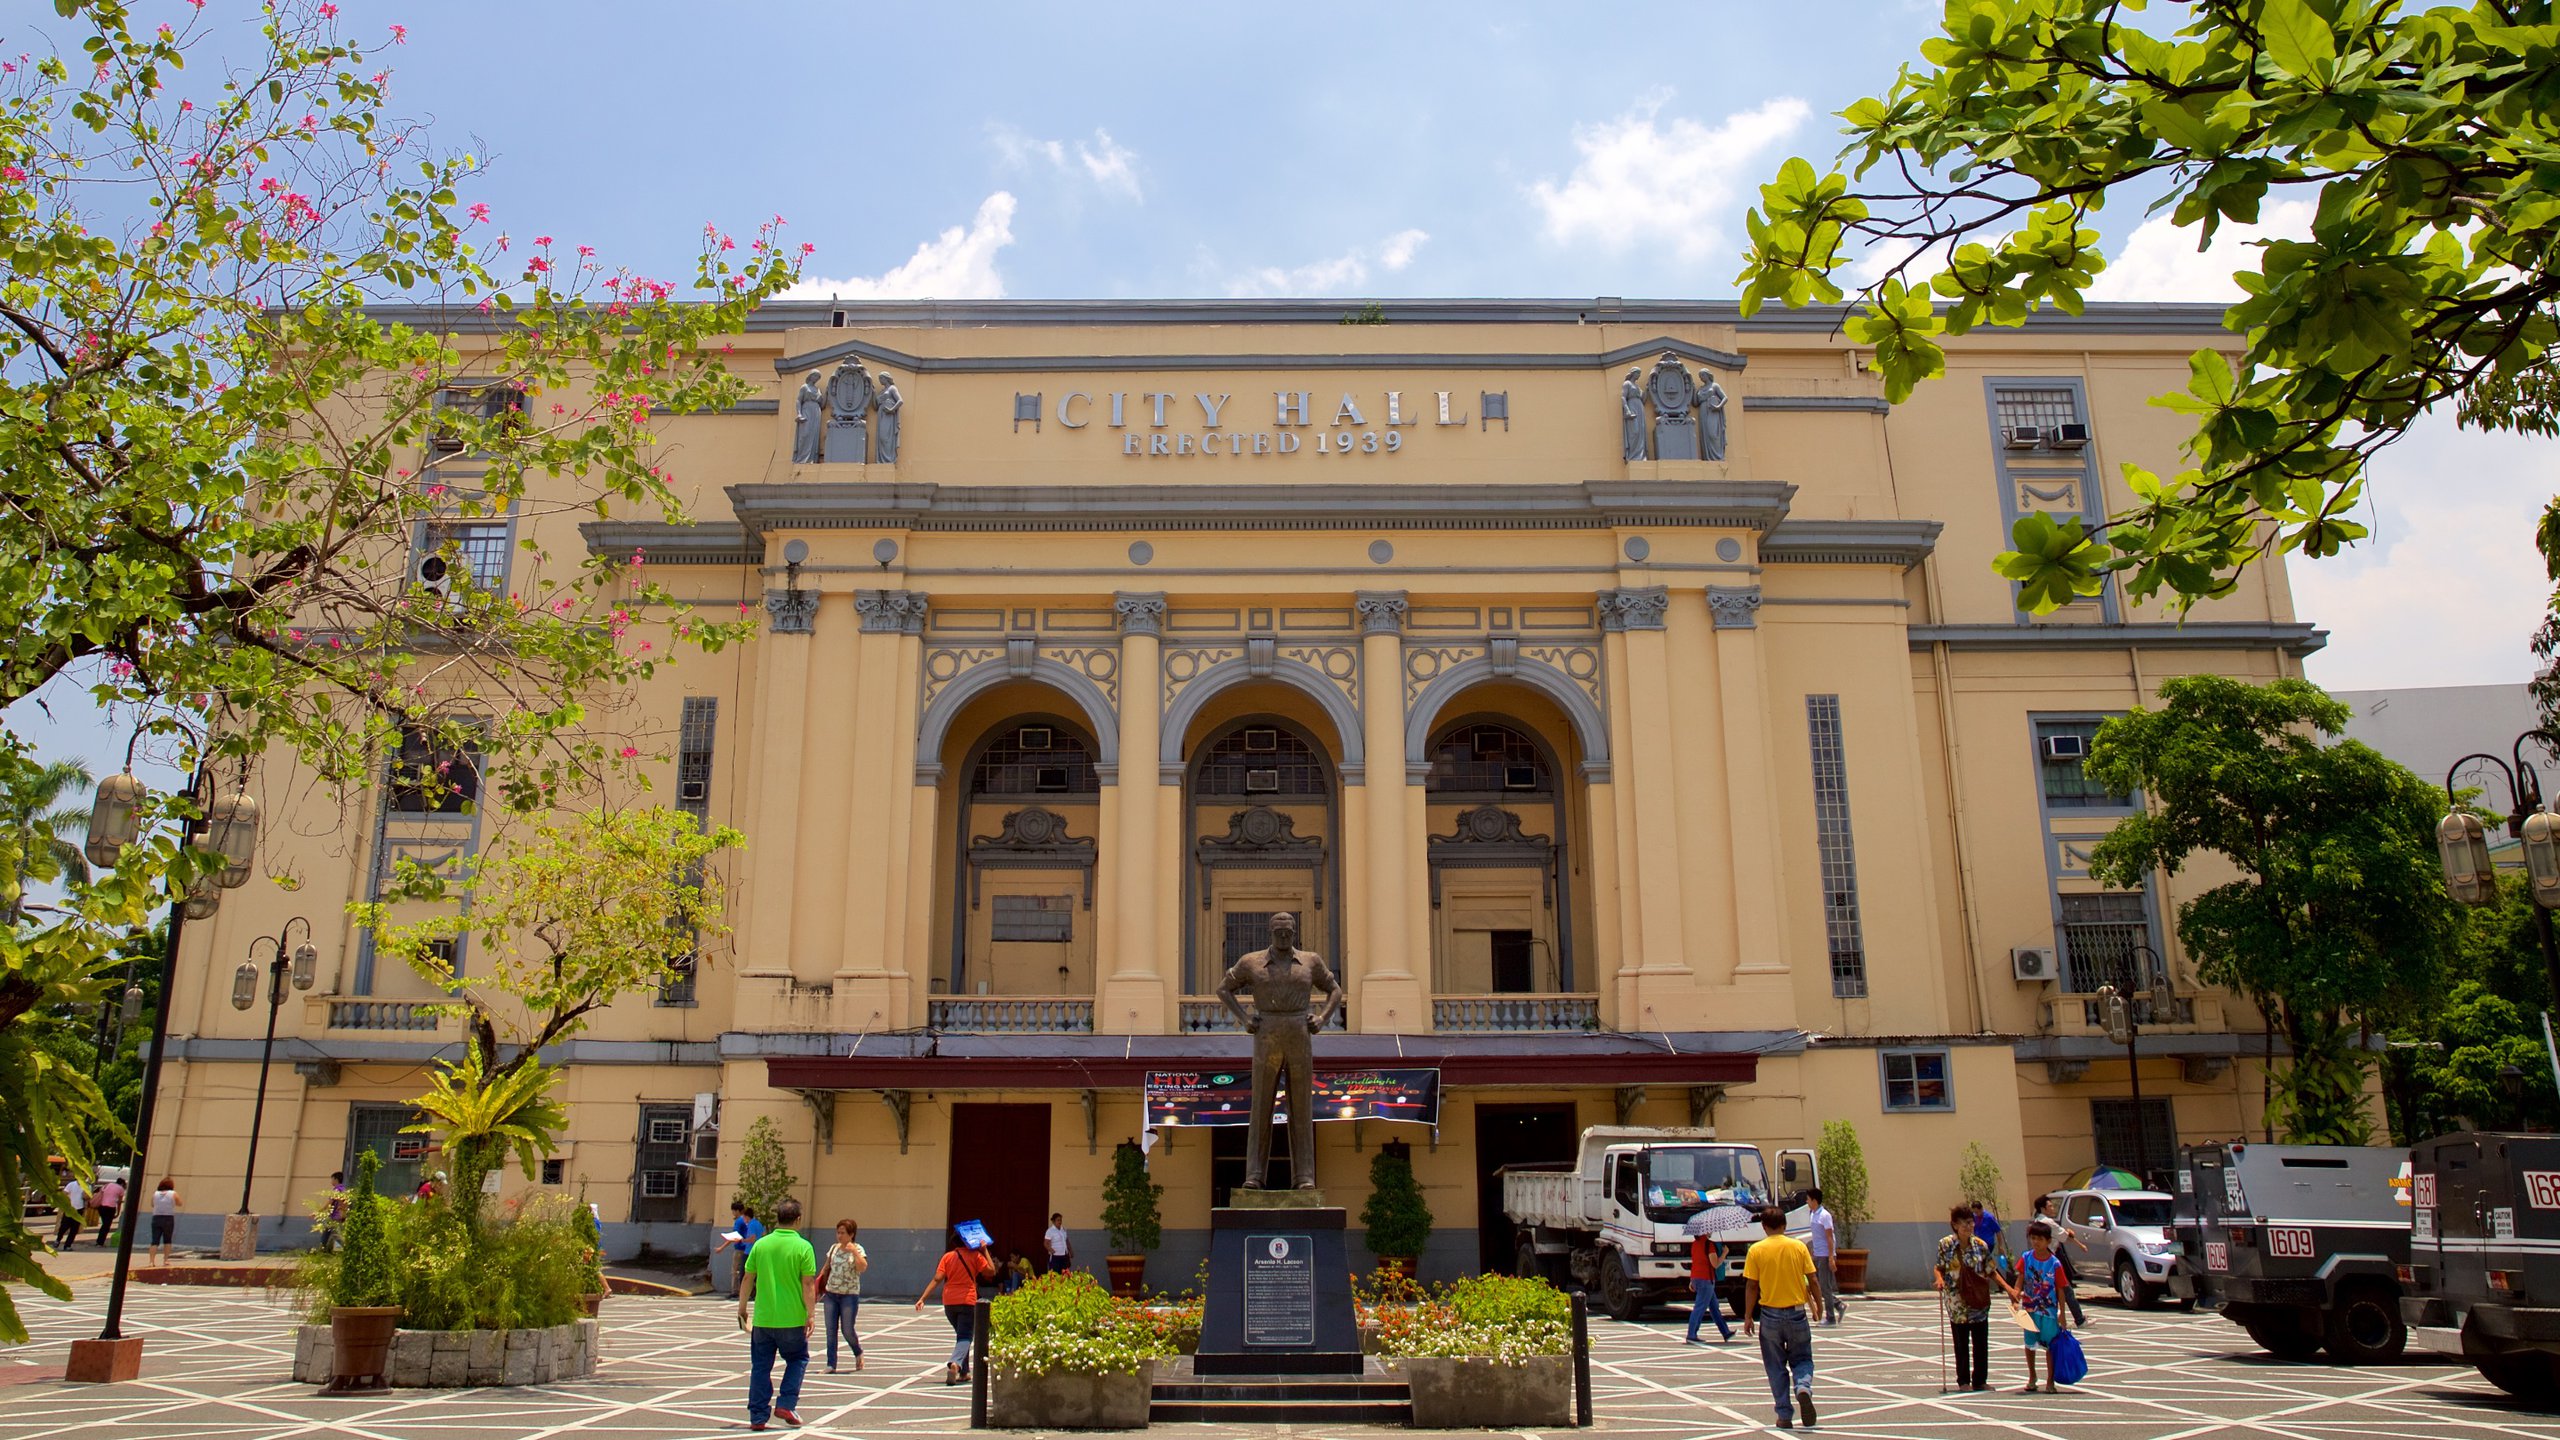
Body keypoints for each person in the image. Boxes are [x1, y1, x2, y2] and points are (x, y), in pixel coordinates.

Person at [1741, 1205, 1824, 1429]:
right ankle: (1803, 1387)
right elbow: (1813, 1279)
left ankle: (1784, 1414)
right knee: (1803, 1358)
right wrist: (1819, 1304)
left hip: (1770, 1314)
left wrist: (1748, 1316)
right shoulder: (1798, 1247)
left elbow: (1751, 1286)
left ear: (1764, 1227)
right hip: (1796, 1312)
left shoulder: (1756, 1250)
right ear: (1785, 1226)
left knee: (1775, 1365)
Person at [738, 1197, 817, 1431]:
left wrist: (742, 1308)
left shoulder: (762, 1245)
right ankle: (786, 1403)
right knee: (797, 1359)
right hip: (792, 1318)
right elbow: (808, 1284)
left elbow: (747, 1278)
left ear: (778, 1218)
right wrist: (810, 1314)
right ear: (798, 1219)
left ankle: (758, 1416)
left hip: (763, 1318)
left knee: (761, 1366)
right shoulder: (803, 1247)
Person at [915, 1224, 996, 1387]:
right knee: (965, 1336)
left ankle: (964, 1372)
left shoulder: (947, 1257)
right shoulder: (975, 1256)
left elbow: (937, 1278)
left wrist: (923, 1298)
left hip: (949, 1302)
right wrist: (984, 1250)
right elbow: (991, 1271)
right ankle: (955, 1364)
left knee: (961, 1335)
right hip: (967, 1300)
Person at [1999, 1219, 2074, 1394]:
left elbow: (2061, 1288)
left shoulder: (2055, 1263)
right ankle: (2032, 1376)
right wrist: (2015, 1293)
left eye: (2040, 1239)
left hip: (2048, 1312)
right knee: (2029, 1343)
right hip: (2029, 1309)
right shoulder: (2026, 1258)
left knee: (2050, 1346)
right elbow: (2020, 1278)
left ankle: (2050, 1380)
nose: (2036, 1242)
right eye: (2033, 1238)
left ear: (2048, 1241)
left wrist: (2062, 1313)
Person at [1932, 1204, 1996, 1392]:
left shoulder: (1981, 1246)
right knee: (1961, 1341)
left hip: (1978, 1299)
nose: (1968, 1227)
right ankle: (1963, 1381)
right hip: (1957, 1300)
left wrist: (2009, 1289)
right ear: (1955, 1225)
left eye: (1970, 1222)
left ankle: (1980, 1380)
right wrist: (1939, 1280)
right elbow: (1939, 1266)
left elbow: (1991, 1270)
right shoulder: (1946, 1244)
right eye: (1964, 1223)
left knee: (1981, 1340)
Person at [2031, 1193, 2091, 1329]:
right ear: (2043, 1208)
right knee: (2066, 1289)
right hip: (2050, 1258)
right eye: (2050, 1206)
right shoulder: (2048, 1223)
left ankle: (2050, 1318)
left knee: (2049, 1290)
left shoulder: (2036, 1221)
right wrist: (2080, 1244)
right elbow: (2065, 1235)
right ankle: (2079, 1319)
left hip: (2041, 1259)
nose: (2053, 1208)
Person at [820, 1218, 868, 1374]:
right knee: (830, 1330)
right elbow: (827, 1267)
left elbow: (862, 1268)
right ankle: (831, 1364)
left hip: (849, 1295)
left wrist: (853, 1251)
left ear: (851, 1234)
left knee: (847, 1329)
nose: (840, 1236)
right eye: (838, 1232)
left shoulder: (858, 1249)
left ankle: (857, 1351)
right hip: (831, 1294)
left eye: (843, 1233)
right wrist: (817, 1285)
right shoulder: (834, 1248)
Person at [1686, 1230, 1733, 1344]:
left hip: (1696, 1277)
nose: (1711, 1231)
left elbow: (1696, 1262)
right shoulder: (1709, 1244)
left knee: (1714, 1306)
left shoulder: (1694, 1244)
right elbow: (1715, 1264)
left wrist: (1692, 1280)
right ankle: (1691, 1334)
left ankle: (1725, 1331)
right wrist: (1724, 1253)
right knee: (1700, 1307)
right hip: (1706, 1279)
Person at [1807, 1187, 1845, 1325]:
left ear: (1814, 1200)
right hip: (1817, 1254)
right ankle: (1838, 1304)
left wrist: (1831, 1257)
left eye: (1808, 1199)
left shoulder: (1825, 1215)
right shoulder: (1813, 1214)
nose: (1807, 1202)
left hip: (1825, 1255)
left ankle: (1831, 1317)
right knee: (1818, 1285)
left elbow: (1829, 1237)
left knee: (1825, 1286)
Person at [723, 1200, 765, 1300]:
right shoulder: (758, 1224)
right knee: (756, 1273)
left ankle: (746, 1293)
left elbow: (752, 1237)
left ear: (746, 1216)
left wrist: (743, 1240)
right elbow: (763, 1235)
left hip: (749, 1251)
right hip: (758, 1251)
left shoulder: (751, 1225)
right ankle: (754, 1292)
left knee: (744, 1273)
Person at [147, 1178, 180, 1266]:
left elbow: (152, 1204)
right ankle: (166, 1259)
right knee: (167, 1240)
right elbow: (179, 1203)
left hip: (156, 1217)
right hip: (168, 1218)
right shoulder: (173, 1193)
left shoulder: (155, 1194)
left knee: (154, 1240)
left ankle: (151, 1261)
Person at [53, 1173, 87, 1250]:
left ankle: (68, 1245)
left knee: (74, 1229)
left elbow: (87, 1197)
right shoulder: (71, 1184)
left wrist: (85, 1194)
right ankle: (58, 1239)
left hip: (79, 1209)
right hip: (70, 1208)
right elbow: (64, 1193)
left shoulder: (86, 1186)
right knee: (64, 1226)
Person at [319, 1171, 349, 1252]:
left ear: (336, 1179)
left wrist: (321, 1210)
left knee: (334, 1234)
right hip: (341, 1215)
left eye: (332, 1179)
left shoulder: (337, 1189)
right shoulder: (343, 1189)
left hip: (335, 1215)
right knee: (328, 1232)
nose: (331, 1181)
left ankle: (334, 1251)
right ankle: (324, 1249)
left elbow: (330, 1202)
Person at [93, 1174, 126, 1247]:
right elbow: (119, 1202)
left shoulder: (107, 1185)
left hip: (101, 1207)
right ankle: (100, 1242)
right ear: (122, 1184)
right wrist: (118, 1212)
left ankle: (99, 1241)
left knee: (104, 1224)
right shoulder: (121, 1189)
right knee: (106, 1226)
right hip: (110, 1208)